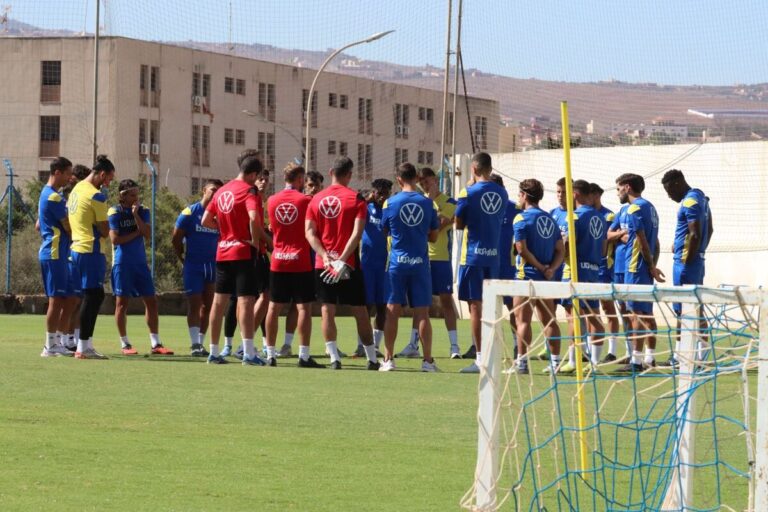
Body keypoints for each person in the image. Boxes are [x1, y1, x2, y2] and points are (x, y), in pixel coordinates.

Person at [305, 156, 380, 370]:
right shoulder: (357, 199)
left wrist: (326, 256)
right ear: (349, 174)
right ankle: (372, 359)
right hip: (349, 264)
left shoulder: (316, 199)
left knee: (327, 310)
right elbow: (357, 234)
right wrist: (342, 259)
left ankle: (334, 359)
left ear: (330, 173)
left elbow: (309, 233)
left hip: (323, 264)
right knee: (360, 311)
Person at [202, 155, 270, 366]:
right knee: (245, 301)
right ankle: (249, 353)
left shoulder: (222, 191)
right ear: (253, 174)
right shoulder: (249, 191)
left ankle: (213, 352)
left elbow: (205, 220)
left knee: (218, 302)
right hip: (242, 252)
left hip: (223, 251)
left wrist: (224, 232)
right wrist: (255, 240)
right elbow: (253, 218)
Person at [379, 163, 440, 372]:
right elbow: (434, 236)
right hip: (420, 264)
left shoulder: (389, 203)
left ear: (398, 179)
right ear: (416, 178)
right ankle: (427, 361)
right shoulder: (427, 203)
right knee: (422, 313)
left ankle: (388, 360)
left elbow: (384, 230)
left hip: (397, 263)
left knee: (392, 311)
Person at [264, 163, 324, 368]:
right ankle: (303, 355)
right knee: (304, 307)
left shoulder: (271, 200)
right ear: (300, 180)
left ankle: (270, 354)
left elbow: (272, 227)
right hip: (300, 260)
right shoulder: (307, 200)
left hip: (278, 259)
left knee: (274, 306)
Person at [399, 166, 462, 359]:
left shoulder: (450, 202)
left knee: (446, 301)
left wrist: (432, 203)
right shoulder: (422, 202)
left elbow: (439, 223)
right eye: (422, 183)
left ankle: (454, 347)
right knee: (421, 304)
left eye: (427, 181)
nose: (425, 185)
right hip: (422, 258)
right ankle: (413, 344)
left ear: (436, 180)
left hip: (441, 258)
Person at [455, 152, 509, 374]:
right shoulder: (503, 193)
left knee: (475, 307)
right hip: (493, 256)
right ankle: (492, 355)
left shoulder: (467, 192)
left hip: (473, 256)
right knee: (492, 308)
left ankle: (480, 359)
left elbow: (459, 223)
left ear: (474, 169)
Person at [108, 179, 174, 356]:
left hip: (140, 263)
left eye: (137, 194)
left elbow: (147, 235)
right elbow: (115, 240)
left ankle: (156, 344)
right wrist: (137, 232)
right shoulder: (115, 211)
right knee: (122, 304)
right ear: (122, 195)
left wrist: (136, 216)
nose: (136, 197)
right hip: (122, 264)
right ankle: (125, 344)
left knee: (151, 301)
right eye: (132, 194)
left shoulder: (143, 210)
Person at [661, 169, 713, 366]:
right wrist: (699, 253)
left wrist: (687, 258)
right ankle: (699, 356)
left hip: (686, 264)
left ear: (676, 184)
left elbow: (695, 234)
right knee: (693, 308)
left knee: (685, 309)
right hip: (695, 261)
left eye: (668, 191)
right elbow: (710, 230)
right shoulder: (701, 198)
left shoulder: (690, 201)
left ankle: (682, 357)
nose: (669, 195)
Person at [614, 173, 665, 373]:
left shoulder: (634, 208)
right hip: (644, 268)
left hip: (635, 267)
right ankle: (649, 358)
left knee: (635, 313)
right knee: (646, 313)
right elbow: (655, 240)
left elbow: (642, 239)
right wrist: (652, 264)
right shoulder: (650, 207)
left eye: (618, 188)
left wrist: (651, 265)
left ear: (627, 187)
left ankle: (636, 361)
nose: (618, 193)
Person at [511, 179, 564, 374]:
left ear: (524, 195)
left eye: (519, 194)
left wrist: (541, 267)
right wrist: (551, 269)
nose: (518, 197)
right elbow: (561, 250)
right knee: (549, 320)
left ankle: (522, 363)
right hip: (546, 279)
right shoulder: (550, 218)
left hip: (527, 276)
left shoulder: (521, 218)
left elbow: (521, 249)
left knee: (522, 321)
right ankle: (556, 362)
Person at [68, 154, 115, 360]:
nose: (109, 183)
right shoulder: (96, 196)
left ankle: (80, 343)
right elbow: (105, 231)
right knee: (94, 296)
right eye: (109, 179)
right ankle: (83, 346)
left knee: (89, 296)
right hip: (91, 250)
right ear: (101, 174)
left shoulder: (76, 190)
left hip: (76, 249)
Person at [557, 180, 606, 373]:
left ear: (575, 195)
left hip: (574, 271)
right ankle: (593, 362)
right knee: (593, 316)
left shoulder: (574, 217)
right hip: (593, 271)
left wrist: (559, 251)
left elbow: (568, 244)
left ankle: (573, 360)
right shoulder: (600, 217)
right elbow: (603, 249)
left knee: (572, 316)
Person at [172, 179, 223, 356]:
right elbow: (176, 239)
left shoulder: (220, 215)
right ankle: (194, 344)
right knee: (194, 304)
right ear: (203, 190)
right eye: (213, 190)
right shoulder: (190, 212)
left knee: (208, 306)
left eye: (219, 191)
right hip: (193, 265)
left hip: (213, 266)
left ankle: (201, 343)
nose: (216, 194)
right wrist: (183, 258)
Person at [38, 156, 76, 357]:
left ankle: (58, 341)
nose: (70, 178)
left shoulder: (50, 194)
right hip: (53, 253)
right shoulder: (53, 197)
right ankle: (49, 346)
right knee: (56, 299)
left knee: (70, 297)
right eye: (68, 173)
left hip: (60, 253)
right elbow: (68, 225)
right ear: (58, 172)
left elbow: (39, 225)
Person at [356, 178, 392, 358]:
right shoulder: (366, 207)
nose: (383, 197)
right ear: (373, 193)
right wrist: (367, 198)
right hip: (367, 265)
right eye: (379, 193)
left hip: (385, 266)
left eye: (386, 193)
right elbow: (355, 201)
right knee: (366, 306)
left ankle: (375, 345)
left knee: (382, 307)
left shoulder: (390, 208)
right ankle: (361, 344)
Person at [60, 164, 93, 352]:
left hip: (75, 251)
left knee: (79, 298)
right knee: (71, 299)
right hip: (69, 252)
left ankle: (75, 338)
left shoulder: (79, 197)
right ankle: (65, 338)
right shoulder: (68, 198)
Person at [590, 183, 623, 363]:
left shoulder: (608, 215)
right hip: (589, 267)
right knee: (589, 308)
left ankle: (612, 351)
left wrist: (612, 234)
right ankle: (589, 349)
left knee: (608, 307)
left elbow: (609, 234)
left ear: (597, 195)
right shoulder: (585, 214)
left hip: (605, 267)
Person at [491, 173, 520, 353]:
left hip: (508, 267)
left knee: (512, 308)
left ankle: (518, 344)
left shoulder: (514, 208)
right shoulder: (484, 207)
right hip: (488, 263)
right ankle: (485, 346)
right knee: (486, 307)